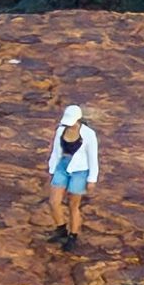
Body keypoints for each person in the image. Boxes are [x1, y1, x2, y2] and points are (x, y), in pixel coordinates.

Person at [45, 103, 101, 248]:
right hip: (63, 166)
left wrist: (91, 179)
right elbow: (56, 151)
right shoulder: (61, 130)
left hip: (80, 170)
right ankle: (61, 229)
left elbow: (93, 158)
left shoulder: (88, 134)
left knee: (73, 205)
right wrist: (52, 170)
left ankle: (73, 235)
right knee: (54, 201)